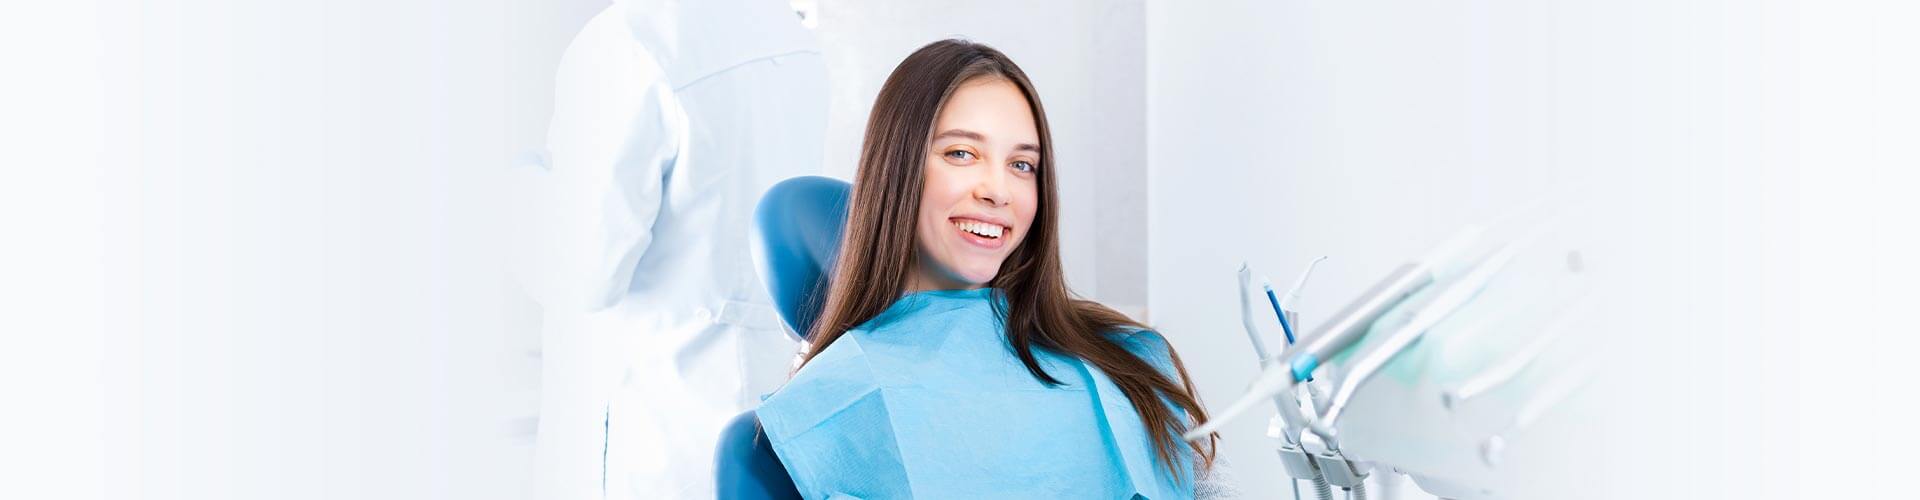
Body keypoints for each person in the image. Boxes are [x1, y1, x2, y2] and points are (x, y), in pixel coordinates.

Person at [752, 39, 1227, 498]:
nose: (998, 190)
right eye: (962, 154)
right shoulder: (828, 406)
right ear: (896, 168)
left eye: (1022, 165)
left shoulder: (1127, 359)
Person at [513, 0, 828, 497]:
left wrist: (517, 184)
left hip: (646, 442)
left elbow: (582, 274)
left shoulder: (630, 42)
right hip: (756, 426)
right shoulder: (794, 37)